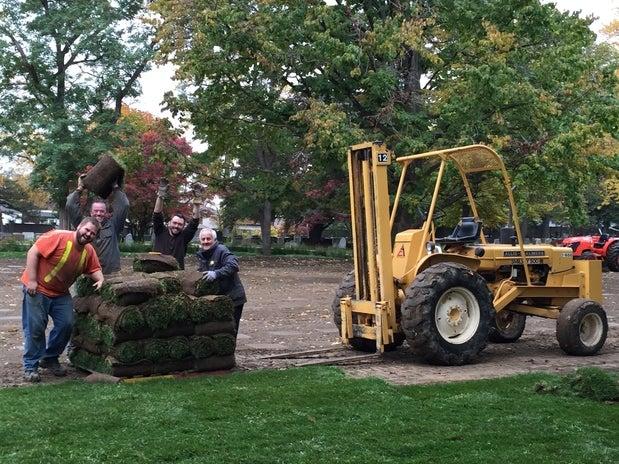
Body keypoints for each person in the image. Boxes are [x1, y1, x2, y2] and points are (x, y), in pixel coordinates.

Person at [21, 218, 104, 382]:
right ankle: (31, 366)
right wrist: (31, 280)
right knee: (36, 327)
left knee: (67, 324)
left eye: (92, 233)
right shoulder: (58, 236)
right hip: (38, 289)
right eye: (86, 230)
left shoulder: (88, 251)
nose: (88, 234)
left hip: (60, 294)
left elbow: (94, 268)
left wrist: (100, 279)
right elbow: (33, 252)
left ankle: (50, 357)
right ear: (79, 226)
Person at [66, 174, 129, 275]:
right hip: (88, 274)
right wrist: (80, 188)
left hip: (111, 275)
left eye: (102, 211)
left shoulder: (114, 225)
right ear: (91, 212)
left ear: (106, 213)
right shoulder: (83, 224)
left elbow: (124, 205)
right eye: (96, 211)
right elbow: (70, 205)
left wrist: (115, 187)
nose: (98, 213)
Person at [196, 228, 246, 335]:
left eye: (208, 239)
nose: (205, 241)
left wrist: (216, 273)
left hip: (233, 297)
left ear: (214, 240)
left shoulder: (221, 250)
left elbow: (233, 265)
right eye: (203, 239)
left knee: (231, 329)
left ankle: (230, 352)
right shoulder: (202, 255)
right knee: (220, 330)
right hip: (219, 298)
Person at [152, 179, 201, 269]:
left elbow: (195, 221)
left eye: (179, 224)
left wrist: (197, 202)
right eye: (174, 223)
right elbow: (157, 214)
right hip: (157, 272)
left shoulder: (184, 237)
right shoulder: (160, 231)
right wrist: (160, 196)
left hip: (177, 275)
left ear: (183, 226)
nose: (176, 226)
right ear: (169, 223)